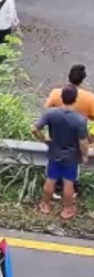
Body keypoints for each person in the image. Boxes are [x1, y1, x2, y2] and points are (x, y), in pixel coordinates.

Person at [33, 86, 89, 220]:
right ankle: (67, 209)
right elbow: (83, 142)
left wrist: (44, 139)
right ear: (75, 99)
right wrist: (85, 156)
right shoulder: (80, 120)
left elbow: (35, 129)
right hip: (71, 156)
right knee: (69, 183)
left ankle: (45, 204)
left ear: (61, 97)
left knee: (51, 179)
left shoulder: (50, 114)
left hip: (54, 152)